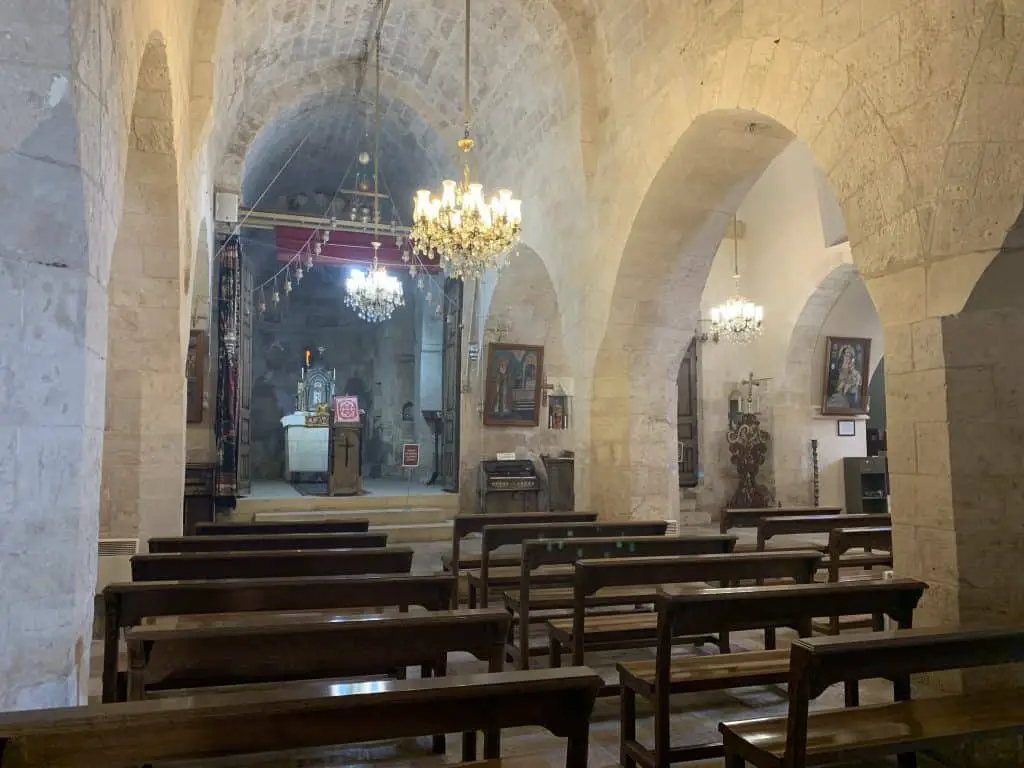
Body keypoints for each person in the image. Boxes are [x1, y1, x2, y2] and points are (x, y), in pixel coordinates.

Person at [826, 344, 863, 409]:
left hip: (846, 401)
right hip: (834, 398)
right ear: (842, 356)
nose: (847, 358)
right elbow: (832, 388)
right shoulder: (835, 371)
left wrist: (851, 376)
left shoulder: (856, 374)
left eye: (849, 356)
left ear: (852, 359)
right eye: (846, 355)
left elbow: (855, 390)